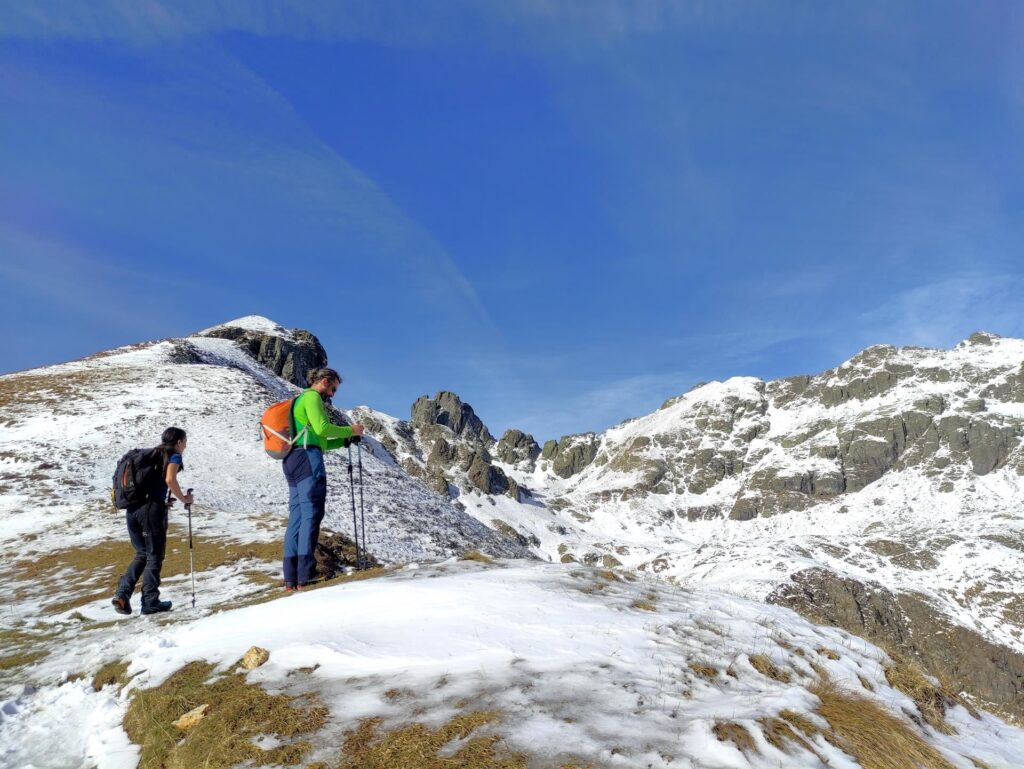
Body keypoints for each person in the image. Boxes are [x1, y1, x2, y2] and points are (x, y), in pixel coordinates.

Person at [283, 367, 365, 590]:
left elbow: (321, 440)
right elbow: (322, 428)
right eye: (334, 389)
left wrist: (343, 442)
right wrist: (351, 431)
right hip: (308, 459)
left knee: (297, 516)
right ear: (325, 381)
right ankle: (304, 577)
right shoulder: (312, 398)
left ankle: (291, 578)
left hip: (292, 458)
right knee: (312, 514)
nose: (333, 394)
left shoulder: (299, 401)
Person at [111, 427, 194, 615]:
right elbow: (170, 479)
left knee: (142, 553)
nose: (185, 446)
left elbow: (156, 483)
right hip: (150, 510)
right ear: (179, 442)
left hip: (132, 509)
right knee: (154, 554)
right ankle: (150, 601)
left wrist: (162, 500)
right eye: (185, 442)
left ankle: (122, 595)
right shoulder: (173, 455)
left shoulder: (150, 455)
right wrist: (184, 499)